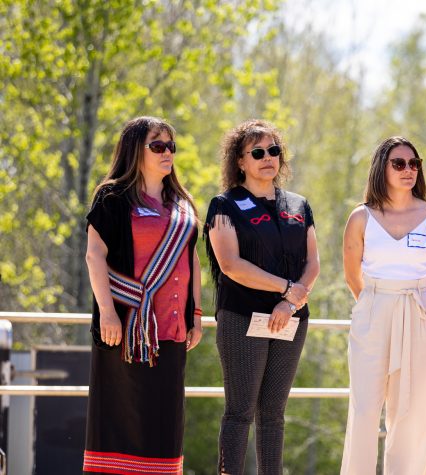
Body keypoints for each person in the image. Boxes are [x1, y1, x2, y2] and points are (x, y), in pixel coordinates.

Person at [83, 117, 203, 474]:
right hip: (125, 326)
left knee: (164, 424)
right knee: (120, 423)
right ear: (136, 150)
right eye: (158, 145)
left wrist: (195, 316)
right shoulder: (113, 197)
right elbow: (94, 255)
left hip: (171, 329)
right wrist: (106, 312)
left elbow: (191, 259)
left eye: (171, 146)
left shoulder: (182, 204)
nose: (167, 152)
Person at [205, 119, 319, 475]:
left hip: (290, 318)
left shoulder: (298, 205)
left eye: (273, 151)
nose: (267, 157)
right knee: (240, 411)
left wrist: (291, 303)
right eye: (257, 152)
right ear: (240, 161)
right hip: (242, 316)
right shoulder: (225, 205)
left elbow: (313, 263)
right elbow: (230, 265)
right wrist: (284, 288)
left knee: (273, 414)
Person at [340, 136, 426, 474]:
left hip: (418, 312)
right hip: (373, 310)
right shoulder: (361, 217)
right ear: (382, 168)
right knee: (364, 409)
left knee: (414, 411)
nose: (408, 170)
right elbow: (351, 275)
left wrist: (415, 304)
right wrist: (378, 303)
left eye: (414, 164)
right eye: (399, 163)